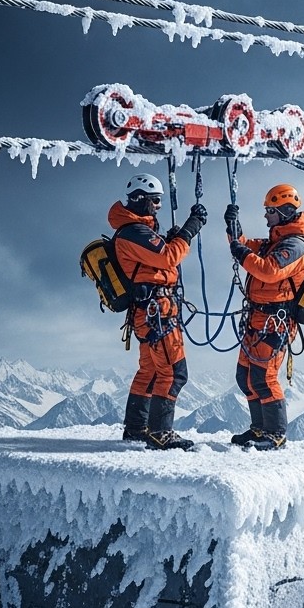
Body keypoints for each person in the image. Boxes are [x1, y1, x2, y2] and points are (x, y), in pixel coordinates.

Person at [111, 173, 207, 450]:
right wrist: (189, 230)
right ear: (139, 199)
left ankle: (136, 428)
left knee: (151, 370)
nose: (158, 206)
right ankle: (160, 433)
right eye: (154, 201)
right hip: (157, 312)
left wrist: (173, 237)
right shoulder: (134, 232)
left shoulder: (135, 230)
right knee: (175, 373)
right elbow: (168, 257)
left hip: (149, 312)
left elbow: (158, 255)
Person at [223, 183, 304, 450]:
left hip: (276, 322)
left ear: (285, 211)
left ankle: (275, 434)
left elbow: (269, 271)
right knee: (246, 376)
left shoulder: (295, 247)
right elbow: (245, 246)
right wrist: (233, 228)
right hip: (257, 319)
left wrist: (241, 253)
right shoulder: (275, 242)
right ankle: (259, 428)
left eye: (270, 211)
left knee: (264, 377)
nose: (266, 216)